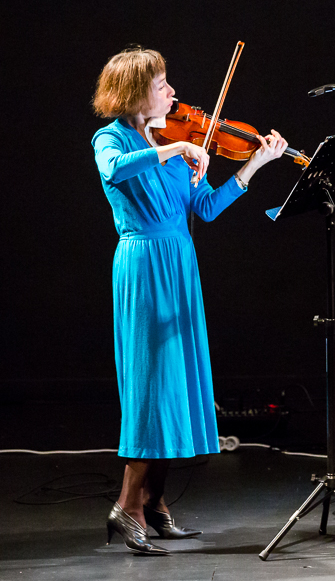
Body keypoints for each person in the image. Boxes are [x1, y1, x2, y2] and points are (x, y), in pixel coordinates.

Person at [92, 47, 288, 554]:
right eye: (163, 85)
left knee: (174, 387)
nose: (174, 93)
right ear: (136, 92)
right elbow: (116, 170)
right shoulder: (110, 138)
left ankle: (154, 505)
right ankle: (126, 507)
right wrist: (177, 151)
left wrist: (256, 165)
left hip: (179, 267)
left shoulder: (174, 140)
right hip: (142, 267)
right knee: (150, 389)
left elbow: (205, 206)